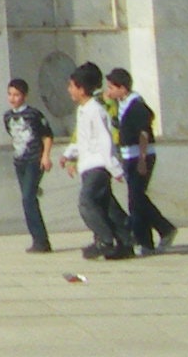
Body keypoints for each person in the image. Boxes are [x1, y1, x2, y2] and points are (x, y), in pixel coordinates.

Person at [59, 61, 134, 260]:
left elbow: (104, 141)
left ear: (81, 89)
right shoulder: (84, 110)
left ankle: (105, 240)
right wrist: (69, 154)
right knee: (106, 206)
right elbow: (83, 139)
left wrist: (115, 169)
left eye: (71, 86)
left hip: (98, 166)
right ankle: (126, 241)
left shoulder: (95, 110)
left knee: (86, 203)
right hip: (88, 165)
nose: (69, 90)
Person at [106, 67, 178, 251]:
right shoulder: (121, 104)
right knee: (138, 200)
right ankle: (153, 237)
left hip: (140, 156)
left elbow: (144, 133)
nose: (109, 91)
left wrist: (142, 160)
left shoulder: (136, 105)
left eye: (112, 88)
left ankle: (156, 233)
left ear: (122, 88)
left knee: (136, 200)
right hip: (129, 156)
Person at [4, 77, 55, 253]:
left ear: (24, 96)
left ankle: (41, 240)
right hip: (20, 162)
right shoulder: (8, 116)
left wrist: (45, 156)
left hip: (34, 160)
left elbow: (47, 135)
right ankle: (38, 239)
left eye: (16, 95)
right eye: (10, 94)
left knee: (28, 197)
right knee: (28, 200)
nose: (13, 98)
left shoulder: (34, 115)